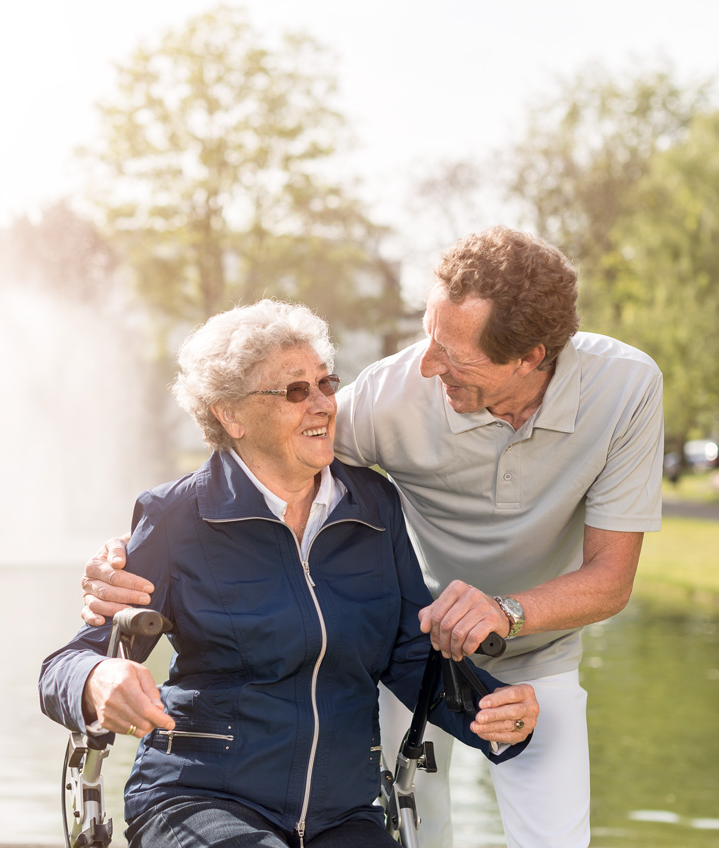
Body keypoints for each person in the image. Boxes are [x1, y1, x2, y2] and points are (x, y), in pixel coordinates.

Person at [81, 227, 665, 848]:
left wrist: (501, 647)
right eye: (429, 336)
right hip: (373, 669)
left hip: (512, 653)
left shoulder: (623, 389)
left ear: (528, 358)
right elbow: (258, 464)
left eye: (454, 355)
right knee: (422, 831)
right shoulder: (392, 398)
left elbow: (610, 579)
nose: (428, 363)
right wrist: (143, 544)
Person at [40, 299, 539, 848]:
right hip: (199, 797)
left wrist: (493, 712)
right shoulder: (177, 516)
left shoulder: (374, 506)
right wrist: (96, 680)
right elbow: (68, 662)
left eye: (326, 384)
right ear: (231, 414)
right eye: (296, 391)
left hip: (343, 812)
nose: (323, 404)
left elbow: (408, 652)